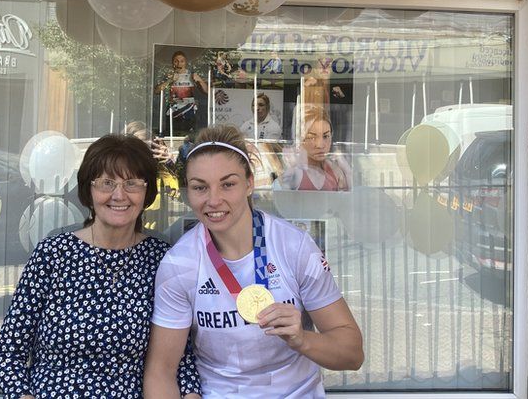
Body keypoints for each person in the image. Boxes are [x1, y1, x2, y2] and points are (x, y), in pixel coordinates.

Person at [144, 126, 364, 398]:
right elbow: (160, 372)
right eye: (200, 187)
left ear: (249, 183)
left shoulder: (294, 246)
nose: (214, 200)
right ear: (189, 192)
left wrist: (302, 339)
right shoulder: (179, 264)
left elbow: (352, 354)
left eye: (228, 184)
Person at [0, 134, 202, 399]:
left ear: (146, 192)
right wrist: (23, 396)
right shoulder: (52, 255)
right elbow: (8, 352)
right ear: (88, 191)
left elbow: (180, 358)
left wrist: (191, 393)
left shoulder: (161, 259)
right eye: (106, 183)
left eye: (132, 183)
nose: (119, 194)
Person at [278, 105, 352, 192]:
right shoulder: (294, 172)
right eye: (312, 137)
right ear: (300, 139)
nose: (320, 145)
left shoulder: (335, 171)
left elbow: (350, 200)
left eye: (325, 136)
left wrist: (347, 171)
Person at [155, 51, 208, 137]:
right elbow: (156, 91)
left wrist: (200, 80)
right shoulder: (168, 75)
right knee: (173, 135)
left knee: (189, 137)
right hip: (173, 111)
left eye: (182, 61)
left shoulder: (191, 75)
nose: (179, 63)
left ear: (185, 63)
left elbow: (206, 91)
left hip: (189, 111)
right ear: (173, 63)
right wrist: (170, 80)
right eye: (176, 61)